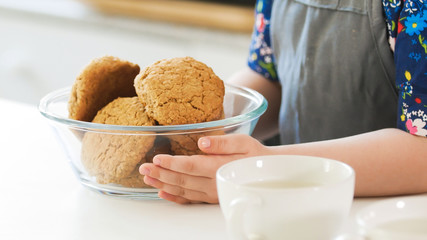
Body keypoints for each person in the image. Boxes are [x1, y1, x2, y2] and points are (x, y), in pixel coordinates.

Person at [140, 0, 427, 204]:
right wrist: (203, 129)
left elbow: (422, 150)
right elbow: (270, 76)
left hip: (386, 214)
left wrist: (266, 168)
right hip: (287, 203)